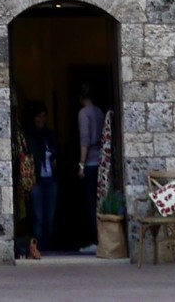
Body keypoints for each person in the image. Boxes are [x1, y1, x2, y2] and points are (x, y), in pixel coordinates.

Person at [23, 103, 58, 261]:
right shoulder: (29, 137)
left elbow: (57, 152)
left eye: (44, 116)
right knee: (38, 218)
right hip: (36, 180)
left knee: (50, 218)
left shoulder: (50, 136)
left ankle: (48, 247)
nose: (41, 119)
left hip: (50, 179)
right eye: (38, 116)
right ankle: (38, 248)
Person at [76, 85, 108, 255]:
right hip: (100, 162)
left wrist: (81, 164)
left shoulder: (83, 113)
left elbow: (85, 140)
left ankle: (96, 240)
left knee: (90, 203)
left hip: (89, 163)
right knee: (99, 200)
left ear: (80, 97)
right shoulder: (100, 112)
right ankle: (103, 238)